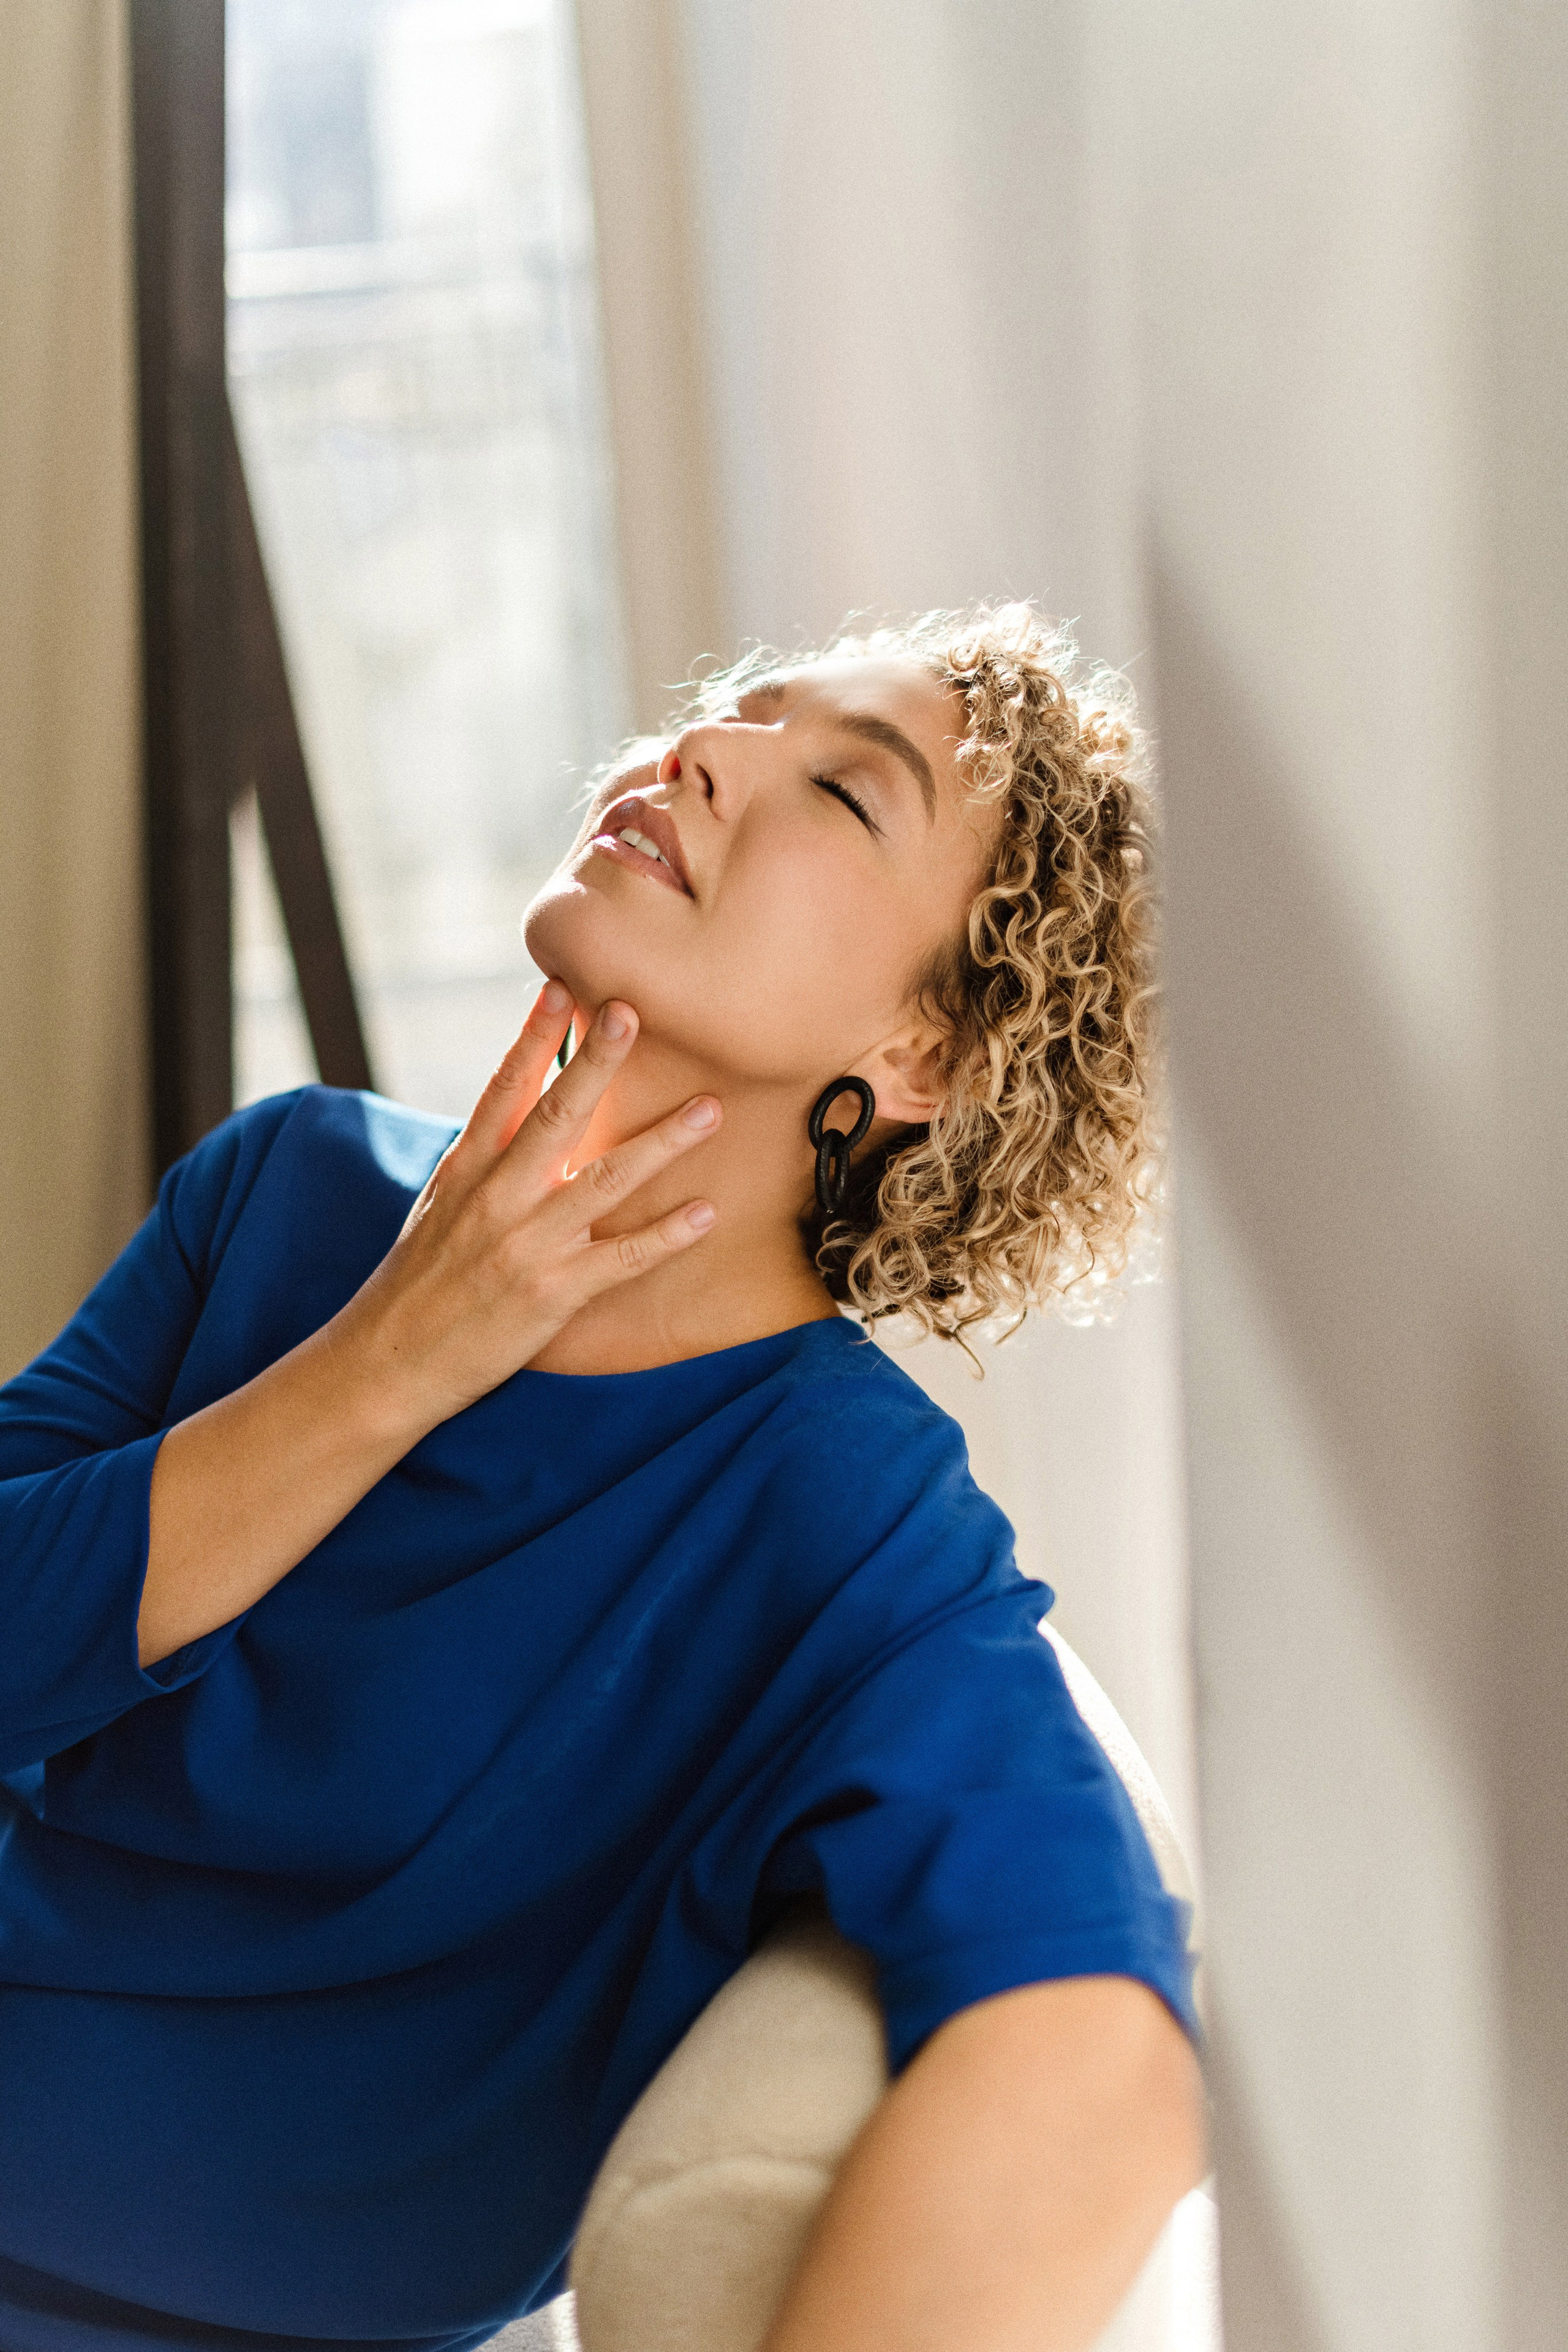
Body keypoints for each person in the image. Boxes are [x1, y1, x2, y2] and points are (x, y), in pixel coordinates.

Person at [0, 604, 1205, 2351]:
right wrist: (388, 1361)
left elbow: (1101, 2047)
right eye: (738, 710)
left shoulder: (838, 1527)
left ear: (927, 1055)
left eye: (843, 793)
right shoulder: (291, 1193)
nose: (699, 752)